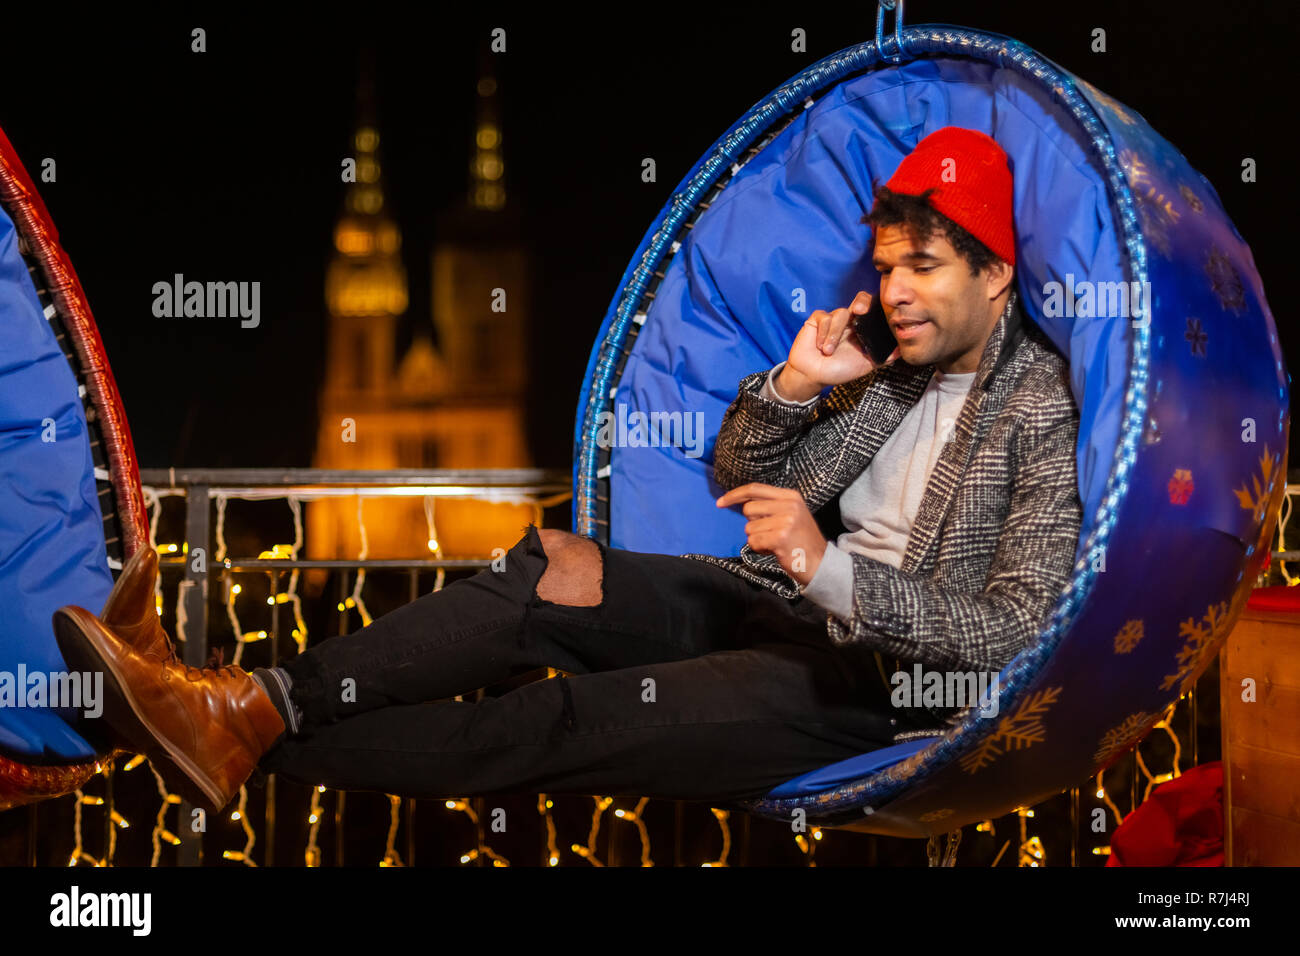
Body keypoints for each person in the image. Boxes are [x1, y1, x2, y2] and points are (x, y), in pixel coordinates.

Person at [52, 126, 1083, 814]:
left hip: (876, 681)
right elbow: (743, 471)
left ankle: (221, 722)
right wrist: (798, 384)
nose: (893, 290)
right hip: (774, 603)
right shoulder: (896, 377)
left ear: (994, 274)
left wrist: (832, 571)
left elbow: (1019, 628)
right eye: (888, 264)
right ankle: (252, 695)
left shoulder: (1035, 404)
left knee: (564, 720)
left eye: (924, 266)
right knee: (545, 565)